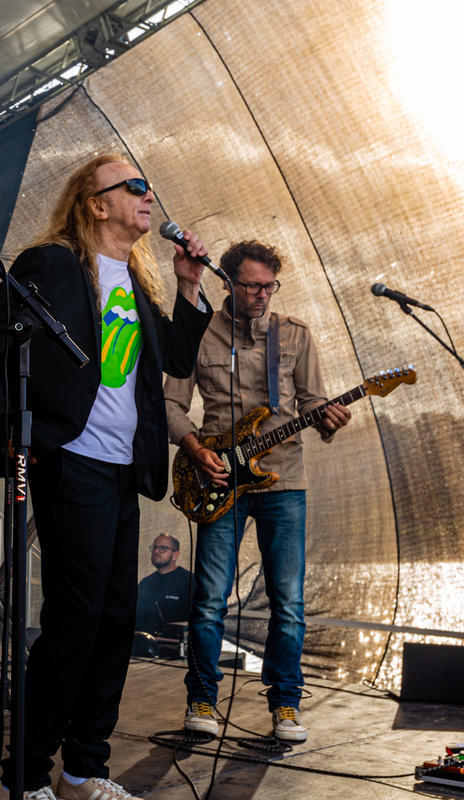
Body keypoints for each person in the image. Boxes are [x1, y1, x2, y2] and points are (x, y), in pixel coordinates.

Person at [0, 154, 214, 800]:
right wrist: (17, 435)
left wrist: (188, 284)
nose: (149, 195)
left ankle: (85, 769)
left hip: (124, 471)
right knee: (75, 620)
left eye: (149, 185)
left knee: (115, 620)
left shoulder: (142, 279)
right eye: (135, 187)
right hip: (71, 462)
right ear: (96, 204)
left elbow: (175, 359)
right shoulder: (54, 266)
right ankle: (28, 774)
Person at [164, 240, 350, 744]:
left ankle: (285, 706)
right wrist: (196, 448)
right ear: (227, 282)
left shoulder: (294, 335)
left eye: (269, 285)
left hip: (283, 481)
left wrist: (330, 418)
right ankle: (202, 698)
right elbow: (170, 403)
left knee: (287, 602)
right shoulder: (198, 332)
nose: (262, 294)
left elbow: (313, 402)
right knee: (208, 600)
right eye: (251, 285)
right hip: (217, 478)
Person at [135, 534, 192, 636]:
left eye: (163, 548)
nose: (156, 551)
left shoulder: (189, 581)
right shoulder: (145, 583)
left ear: (175, 555)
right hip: (147, 647)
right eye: (154, 547)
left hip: (178, 647)